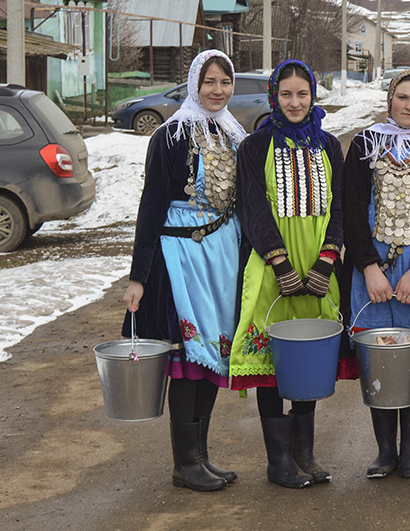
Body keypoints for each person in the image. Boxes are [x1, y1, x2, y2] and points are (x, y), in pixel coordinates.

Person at [122, 49, 246, 492]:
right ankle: (184, 463)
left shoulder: (234, 134)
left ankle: (203, 456)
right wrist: (139, 275)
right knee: (187, 358)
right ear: (194, 83)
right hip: (181, 257)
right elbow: (151, 205)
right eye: (209, 82)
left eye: (225, 83)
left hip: (223, 256)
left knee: (215, 354)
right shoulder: (170, 136)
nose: (217, 91)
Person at [230, 60, 346, 489]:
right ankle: (278, 462)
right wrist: (279, 263)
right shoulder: (255, 147)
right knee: (272, 362)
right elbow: (253, 209)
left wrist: (326, 261)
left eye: (302, 94)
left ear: (313, 95)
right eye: (286, 94)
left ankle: (305, 455)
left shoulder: (330, 146)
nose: (295, 103)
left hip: (318, 266)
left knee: (307, 360)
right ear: (273, 96)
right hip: (273, 264)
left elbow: (339, 208)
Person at [343, 70, 410, 479]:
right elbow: (351, 212)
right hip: (372, 273)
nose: (409, 106)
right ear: (389, 99)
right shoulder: (364, 145)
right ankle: (384, 450)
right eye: (402, 97)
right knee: (380, 356)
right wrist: (368, 267)